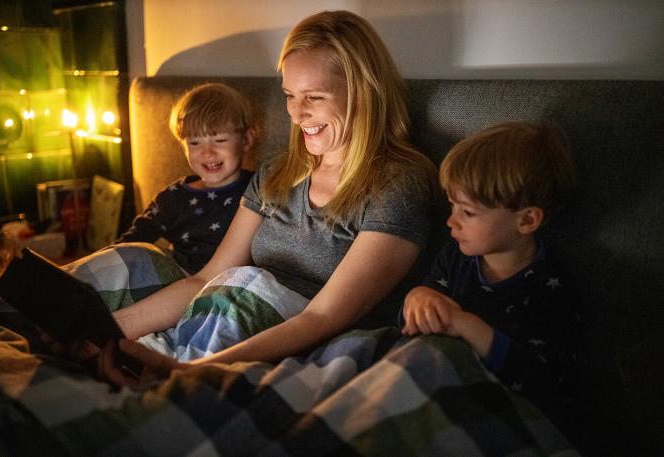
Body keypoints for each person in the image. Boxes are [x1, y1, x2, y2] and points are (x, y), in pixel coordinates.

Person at [98, 10, 438, 387]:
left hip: (302, 342)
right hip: (226, 315)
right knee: (126, 261)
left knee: (240, 293)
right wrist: (104, 334)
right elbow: (206, 279)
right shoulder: (278, 172)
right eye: (290, 96)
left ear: (365, 92)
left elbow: (322, 318)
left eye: (314, 97)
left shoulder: (399, 183)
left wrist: (190, 372)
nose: (296, 113)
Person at [401, 121, 579, 422]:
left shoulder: (550, 289)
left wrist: (464, 325)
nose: (451, 222)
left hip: (491, 408)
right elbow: (421, 307)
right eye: (452, 206)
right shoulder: (456, 256)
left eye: (467, 212)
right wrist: (417, 298)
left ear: (526, 221)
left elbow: (543, 378)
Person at [116, 82, 256, 274]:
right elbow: (129, 244)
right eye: (195, 142)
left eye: (220, 140)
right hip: (182, 283)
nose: (207, 152)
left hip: (239, 285)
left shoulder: (259, 188)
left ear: (246, 140)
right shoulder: (173, 198)